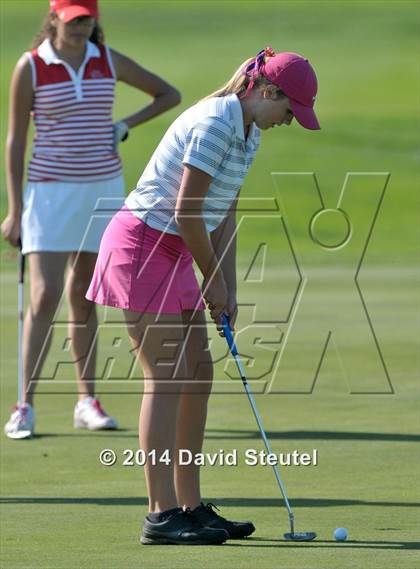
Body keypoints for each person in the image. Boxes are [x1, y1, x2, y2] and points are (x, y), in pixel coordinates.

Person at [86, 47, 320, 545]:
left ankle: (190, 506)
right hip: (143, 243)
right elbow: (188, 210)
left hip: (177, 246)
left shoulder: (249, 132)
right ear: (266, 91)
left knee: (199, 372)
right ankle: (160, 514)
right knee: (167, 375)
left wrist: (228, 286)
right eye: (290, 111)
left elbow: (223, 215)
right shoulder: (215, 123)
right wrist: (211, 277)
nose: (290, 122)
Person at [2, 0, 181, 439]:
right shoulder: (32, 66)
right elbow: (15, 143)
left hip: (101, 191)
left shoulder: (106, 59)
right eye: (73, 19)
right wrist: (13, 209)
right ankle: (24, 404)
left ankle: (87, 400)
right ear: (54, 19)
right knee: (44, 296)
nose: (81, 26)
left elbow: (168, 94)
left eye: (87, 19)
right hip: (48, 193)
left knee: (84, 296)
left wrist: (125, 125)